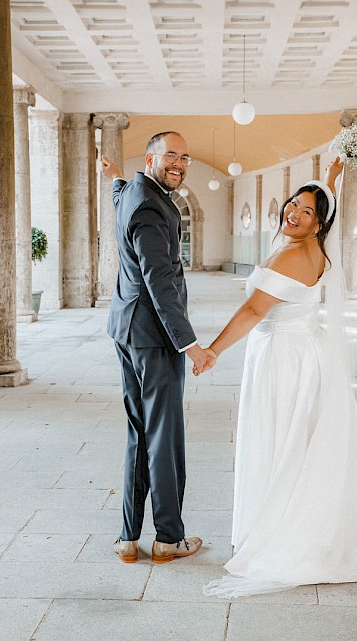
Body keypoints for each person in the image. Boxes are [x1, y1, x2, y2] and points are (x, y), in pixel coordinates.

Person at [202, 158, 357, 598]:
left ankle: (284, 528)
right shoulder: (318, 250)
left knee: (281, 439)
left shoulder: (291, 254)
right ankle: (291, 515)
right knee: (299, 439)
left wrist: (212, 350)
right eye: (293, 203)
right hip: (303, 351)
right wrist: (329, 179)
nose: (294, 212)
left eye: (307, 211)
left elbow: (252, 312)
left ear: (319, 223)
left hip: (283, 357)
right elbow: (325, 202)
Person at [99, 131, 213, 564]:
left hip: (126, 331)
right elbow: (158, 279)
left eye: (185, 157)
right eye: (171, 155)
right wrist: (190, 344)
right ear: (151, 158)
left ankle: (128, 537)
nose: (180, 163)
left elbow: (119, 197)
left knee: (139, 431)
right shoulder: (149, 204)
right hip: (154, 337)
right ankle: (168, 537)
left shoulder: (132, 191)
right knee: (164, 436)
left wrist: (112, 176)